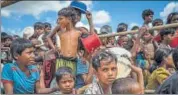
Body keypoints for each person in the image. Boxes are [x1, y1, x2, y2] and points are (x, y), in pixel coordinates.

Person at [47, 7, 94, 74]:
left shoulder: (79, 31)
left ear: (69, 19)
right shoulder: (61, 32)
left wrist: (90, 20)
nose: (58, 21)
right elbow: (48, 37)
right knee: (62, 80)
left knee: (73, 80)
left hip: (75, 60)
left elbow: (92, 39)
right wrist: (54, 48)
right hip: (61, 60)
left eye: (61, 19)